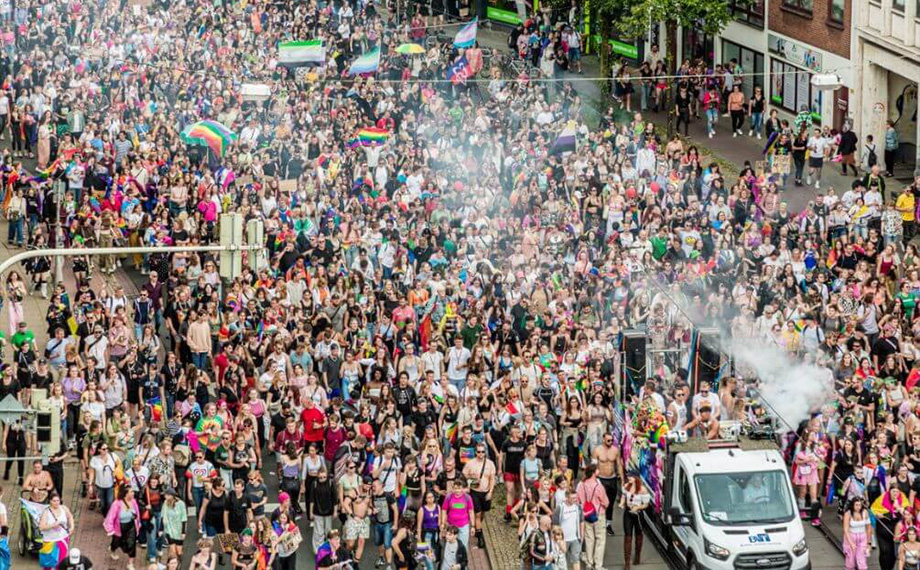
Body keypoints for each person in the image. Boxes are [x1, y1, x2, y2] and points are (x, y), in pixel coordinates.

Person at [576, 464, 608, 570]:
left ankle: (589, 563)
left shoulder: (582, 485)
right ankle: (598, 565)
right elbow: (606, 502)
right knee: (600, 539)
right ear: (594, 472)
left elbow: (578, 499)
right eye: (597, 469)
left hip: (587, 513)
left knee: (589, 538)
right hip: (599, 514)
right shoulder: (598, 486)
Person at [103, 487, 142, 570]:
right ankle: (113, 549)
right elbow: (111, 517)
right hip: (119, 527)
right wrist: (110, 529)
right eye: (131, 492)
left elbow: (137, 513)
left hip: (131, 526)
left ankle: (130, 563)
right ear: (125, 493)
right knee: (117, 542)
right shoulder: (116, 504)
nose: (133, 493)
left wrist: (138, 523)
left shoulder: (134, 502)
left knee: (131, 544)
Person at [620, 473, 651, 570]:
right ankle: (627, 563)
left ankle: (637, 555)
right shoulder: (626, 486)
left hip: (637, 514)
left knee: (638, 534)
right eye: (628, 476)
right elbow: (624, 496)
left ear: (636, 478)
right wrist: (621, 503)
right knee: (628, 537)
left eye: (631, 477)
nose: (629, 478)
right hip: (628, 513)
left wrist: (638, 507)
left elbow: (646, 504)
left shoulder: (642, 489)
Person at [38, 493, 74, 570]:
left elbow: (70, 516)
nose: (56, 502)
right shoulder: (46, 512)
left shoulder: (63, 508)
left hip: (62, 539)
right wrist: (52, 525)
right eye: (54, 501)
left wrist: (72, 527)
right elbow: (41, 527)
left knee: (61, 562)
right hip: (50, 541)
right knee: (49, 564)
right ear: (50, 501)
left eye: (58, 500)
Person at [843, 497, 870, 570]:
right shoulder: (848, 514)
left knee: (862, 561)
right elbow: (846, 529)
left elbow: (868, 528)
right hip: (851, 536)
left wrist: (868, 542)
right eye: (856, 505)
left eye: (859, 505)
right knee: (850, 561)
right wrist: (850, 543)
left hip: (862, 536)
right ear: (852, 505)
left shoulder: (865, 512)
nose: (858, 507)